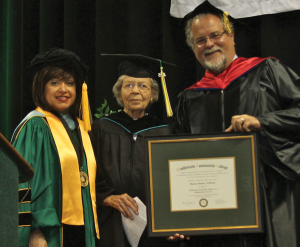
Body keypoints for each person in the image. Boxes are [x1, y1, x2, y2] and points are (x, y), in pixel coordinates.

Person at [173, 1, 300, 247]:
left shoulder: (267, 71)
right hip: (214, 212)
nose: (209, 44)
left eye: (215, 35)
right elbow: (180, 162)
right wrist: (178, 217)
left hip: (270, 200)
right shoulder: (189, 98)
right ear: (193, 48)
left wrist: (263, 122)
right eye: (200, 40)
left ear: (231, 36)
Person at [12, 48, 99, 247]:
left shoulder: (80, 128)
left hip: (81, 229)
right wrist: (33, 231)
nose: (63, 89)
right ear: (41, 87)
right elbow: (21, 183)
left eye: (69, 83)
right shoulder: (35, 126)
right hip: (48, 233)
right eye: (54, 82)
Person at [90, 55, 177, 247]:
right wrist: (106, 196)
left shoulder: (165, 130)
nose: (135, 91)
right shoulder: (102, 127)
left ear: (153, 94)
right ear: (119, 93)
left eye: (142, 86)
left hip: (154, 224)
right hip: (111, 221)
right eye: (128, 86)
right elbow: (87, 171)